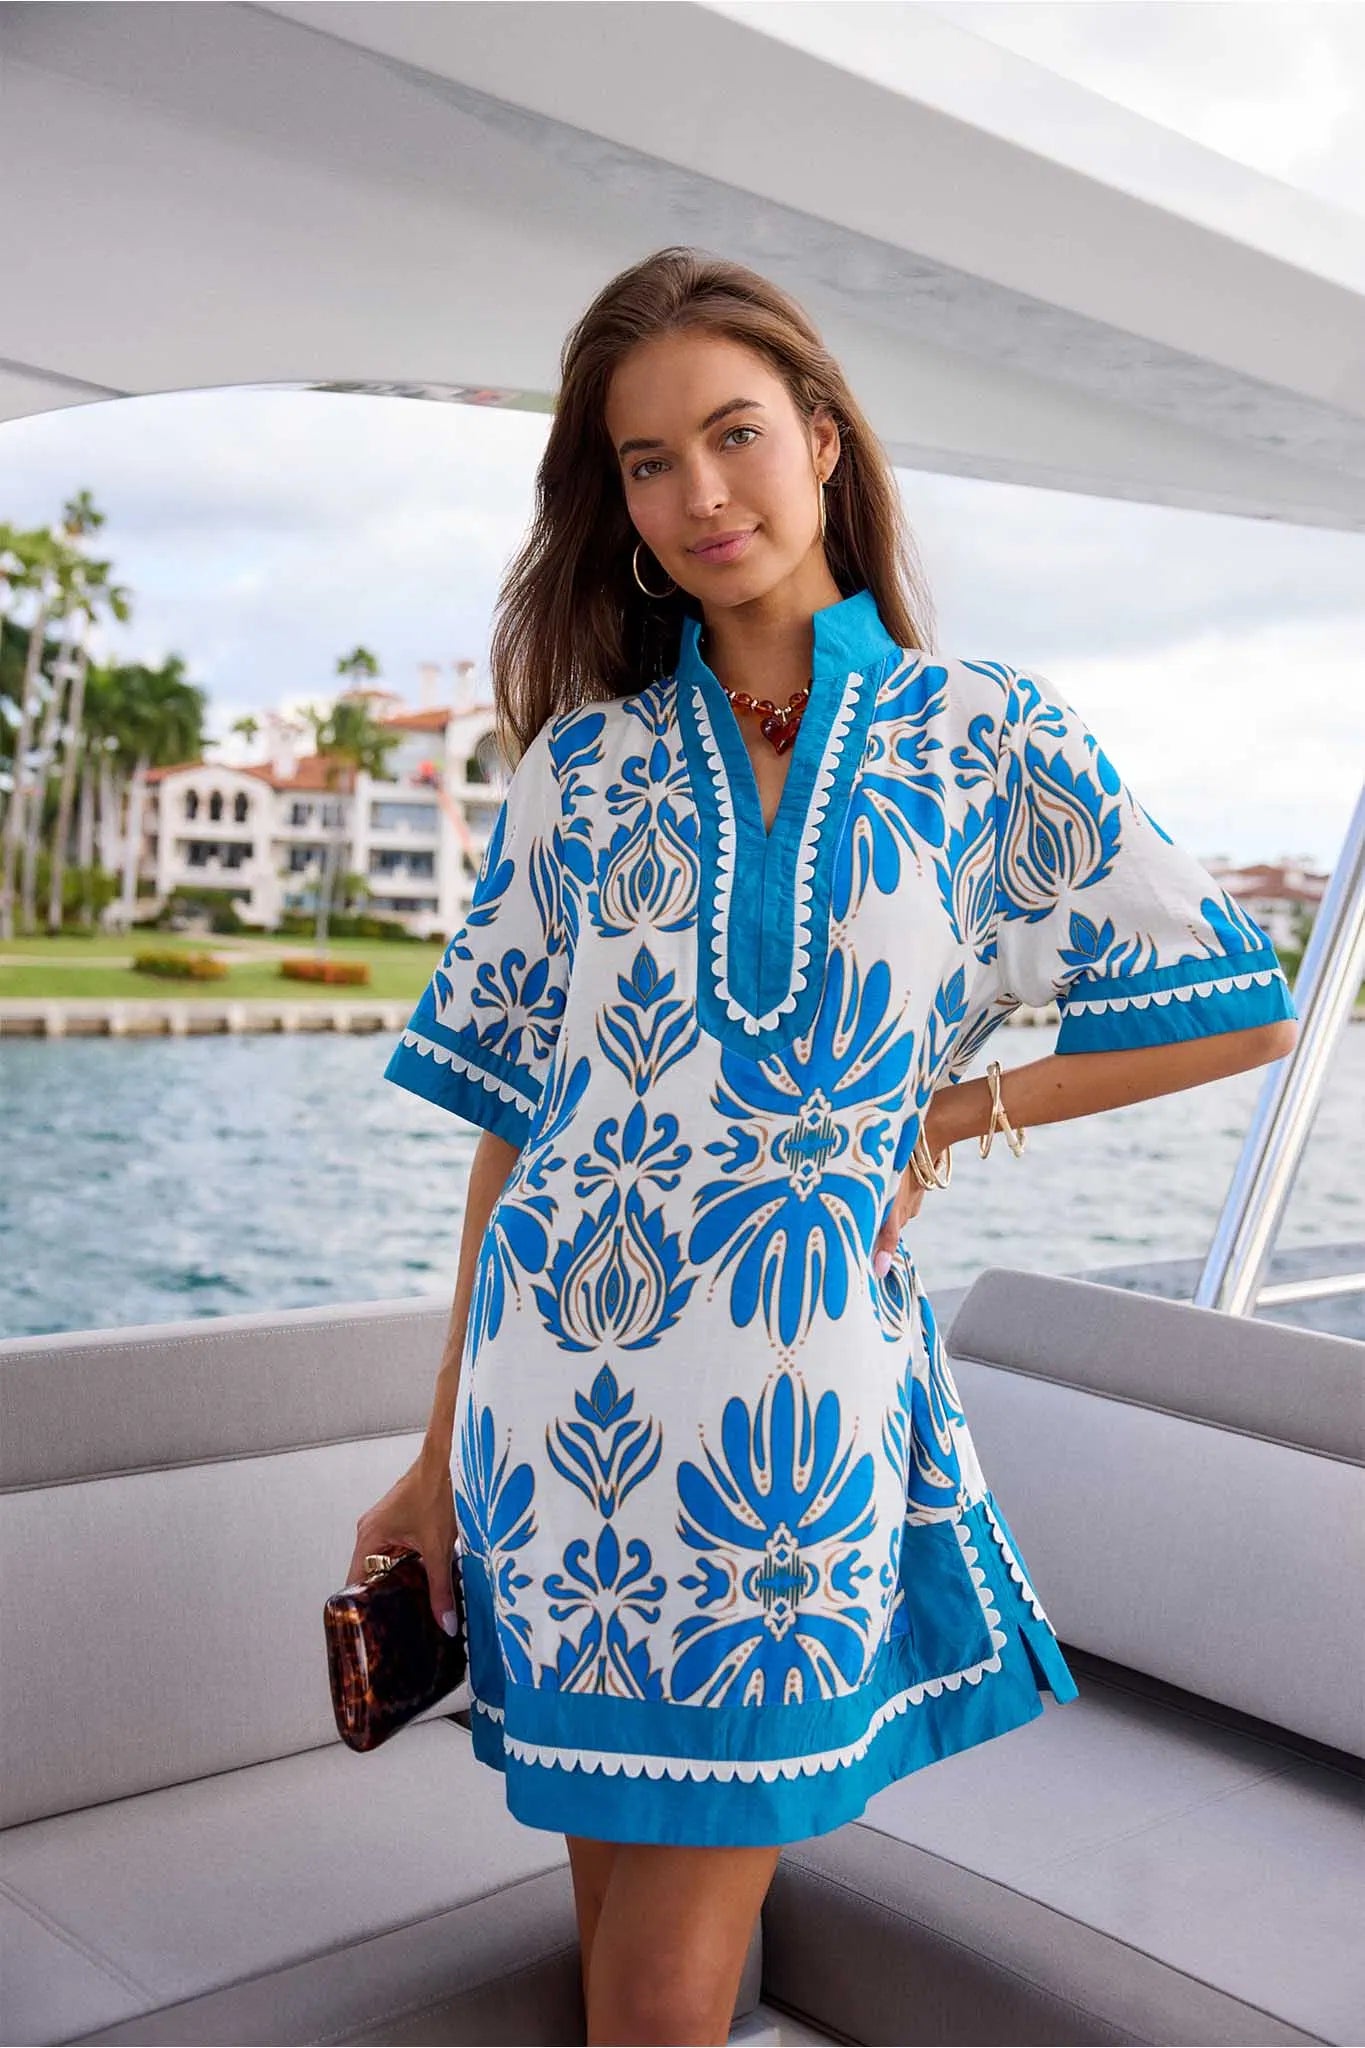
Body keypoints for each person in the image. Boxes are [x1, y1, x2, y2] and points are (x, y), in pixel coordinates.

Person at [350, 245, 1299, 2045]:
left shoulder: (980, 735)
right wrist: (428, 1461)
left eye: (733, 435)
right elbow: (509, 1129)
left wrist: (956, 1106)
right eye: (646, 461)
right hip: (553, 1433)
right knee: (625, 1948)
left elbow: (1230, 1005)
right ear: (613, 504)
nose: (700, 492)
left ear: (825, 442)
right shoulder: (583, 766)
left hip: (788, 1447)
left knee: (659, 1985)